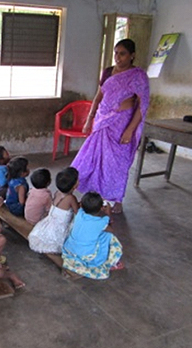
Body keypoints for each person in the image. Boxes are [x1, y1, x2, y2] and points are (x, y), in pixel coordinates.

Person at [71, 39, 150, 214]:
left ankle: (116, 198)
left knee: (117, 164)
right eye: (116, 53)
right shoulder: (108, 72)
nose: (118, 57)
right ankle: (95, 194)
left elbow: (142, 105)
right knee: (96, 159)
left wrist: (130, 130)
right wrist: (89, 119)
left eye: (122, 54)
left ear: (132, 55)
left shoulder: (138, 76)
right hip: (102, 122)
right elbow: (98, 96)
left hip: (122, 124)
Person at [61, 191, 123, 279]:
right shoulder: (101, 222)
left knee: (93, 234)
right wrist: (108, 212)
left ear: (81, 205)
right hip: (86, 254)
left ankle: (73, 267)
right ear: (101, 208)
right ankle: (111, 261)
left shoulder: (79, 213)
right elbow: (110, 229)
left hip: (69, 249)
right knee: (108, 236)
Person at [29, 167, 80, 254]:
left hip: (51, 222)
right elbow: (78, 213)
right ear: (75, 185)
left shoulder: (57, 192)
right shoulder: (71, 198)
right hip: (61, 227)